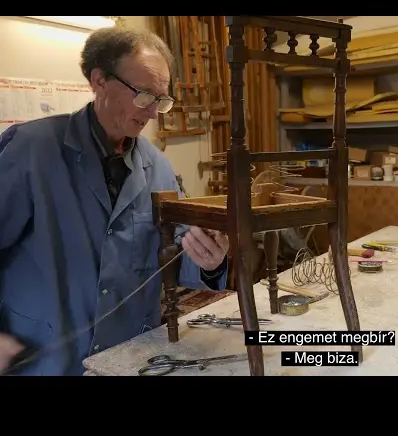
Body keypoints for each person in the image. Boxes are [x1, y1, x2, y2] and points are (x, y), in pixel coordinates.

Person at [0, 26, 230, 376]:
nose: (153, 112)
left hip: (130, 357)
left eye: (162, 100)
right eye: (144, 95)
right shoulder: (31, 150)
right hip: (43, 357)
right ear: (99, 80)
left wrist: (209, 261)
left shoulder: (159, 169)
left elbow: (174, 254)